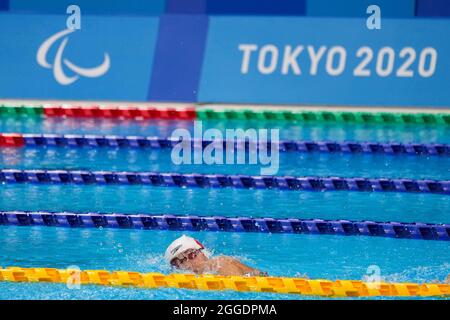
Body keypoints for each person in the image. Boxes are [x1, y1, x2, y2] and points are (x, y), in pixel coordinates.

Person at [165, 235, 267, 276]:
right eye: (179, 263)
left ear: (202, 253)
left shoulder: (219, 263)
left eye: (191, 255)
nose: (188, 264)